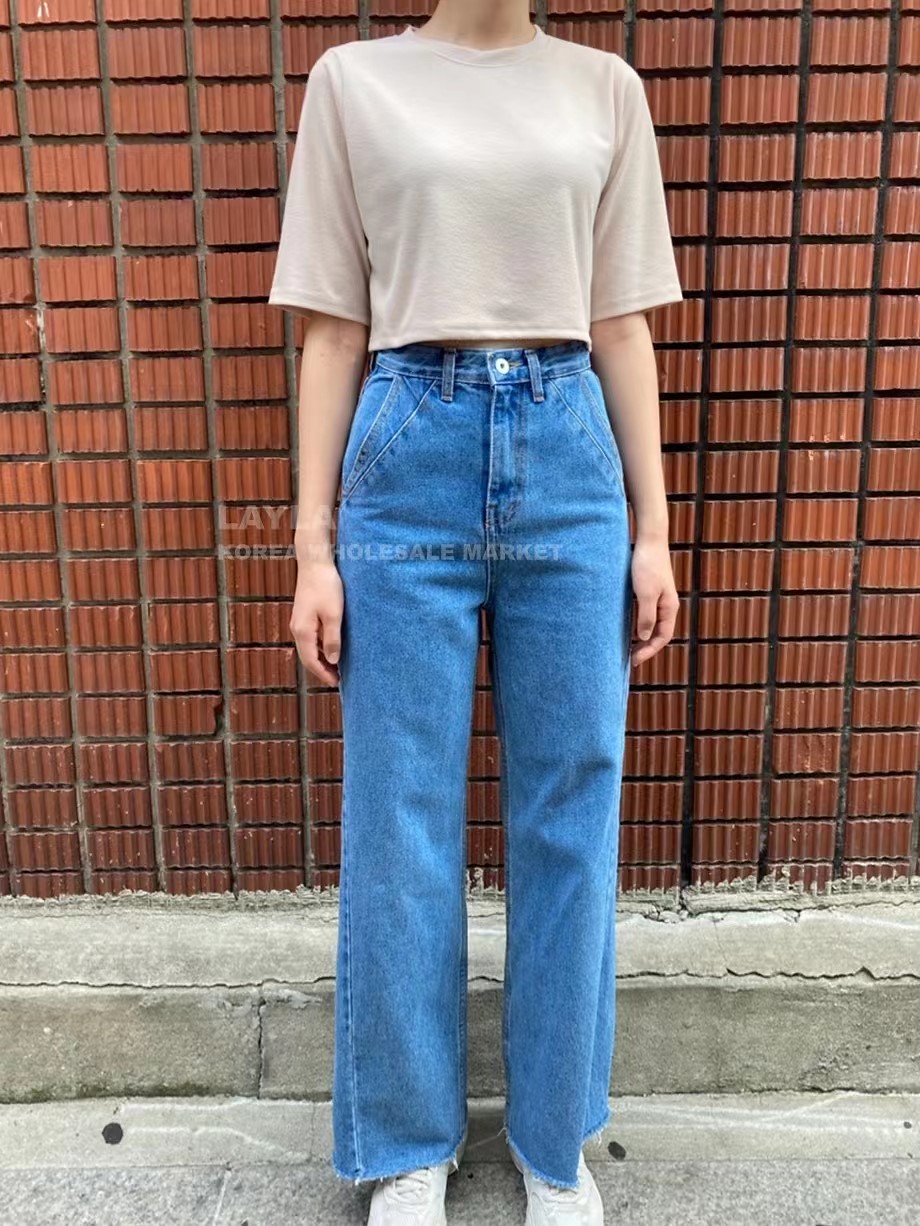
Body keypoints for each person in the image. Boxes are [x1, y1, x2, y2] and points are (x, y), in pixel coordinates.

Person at [268, 2, 682, 1222]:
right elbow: (332, 326)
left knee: (572, 808)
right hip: (408, 442)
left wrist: (652, 532)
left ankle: (553, 1142)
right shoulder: (353, 83)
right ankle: (408, 1141)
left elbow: (619, 323)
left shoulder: (602, 89)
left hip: (569, 447)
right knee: (399, 813)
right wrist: (313, 546)